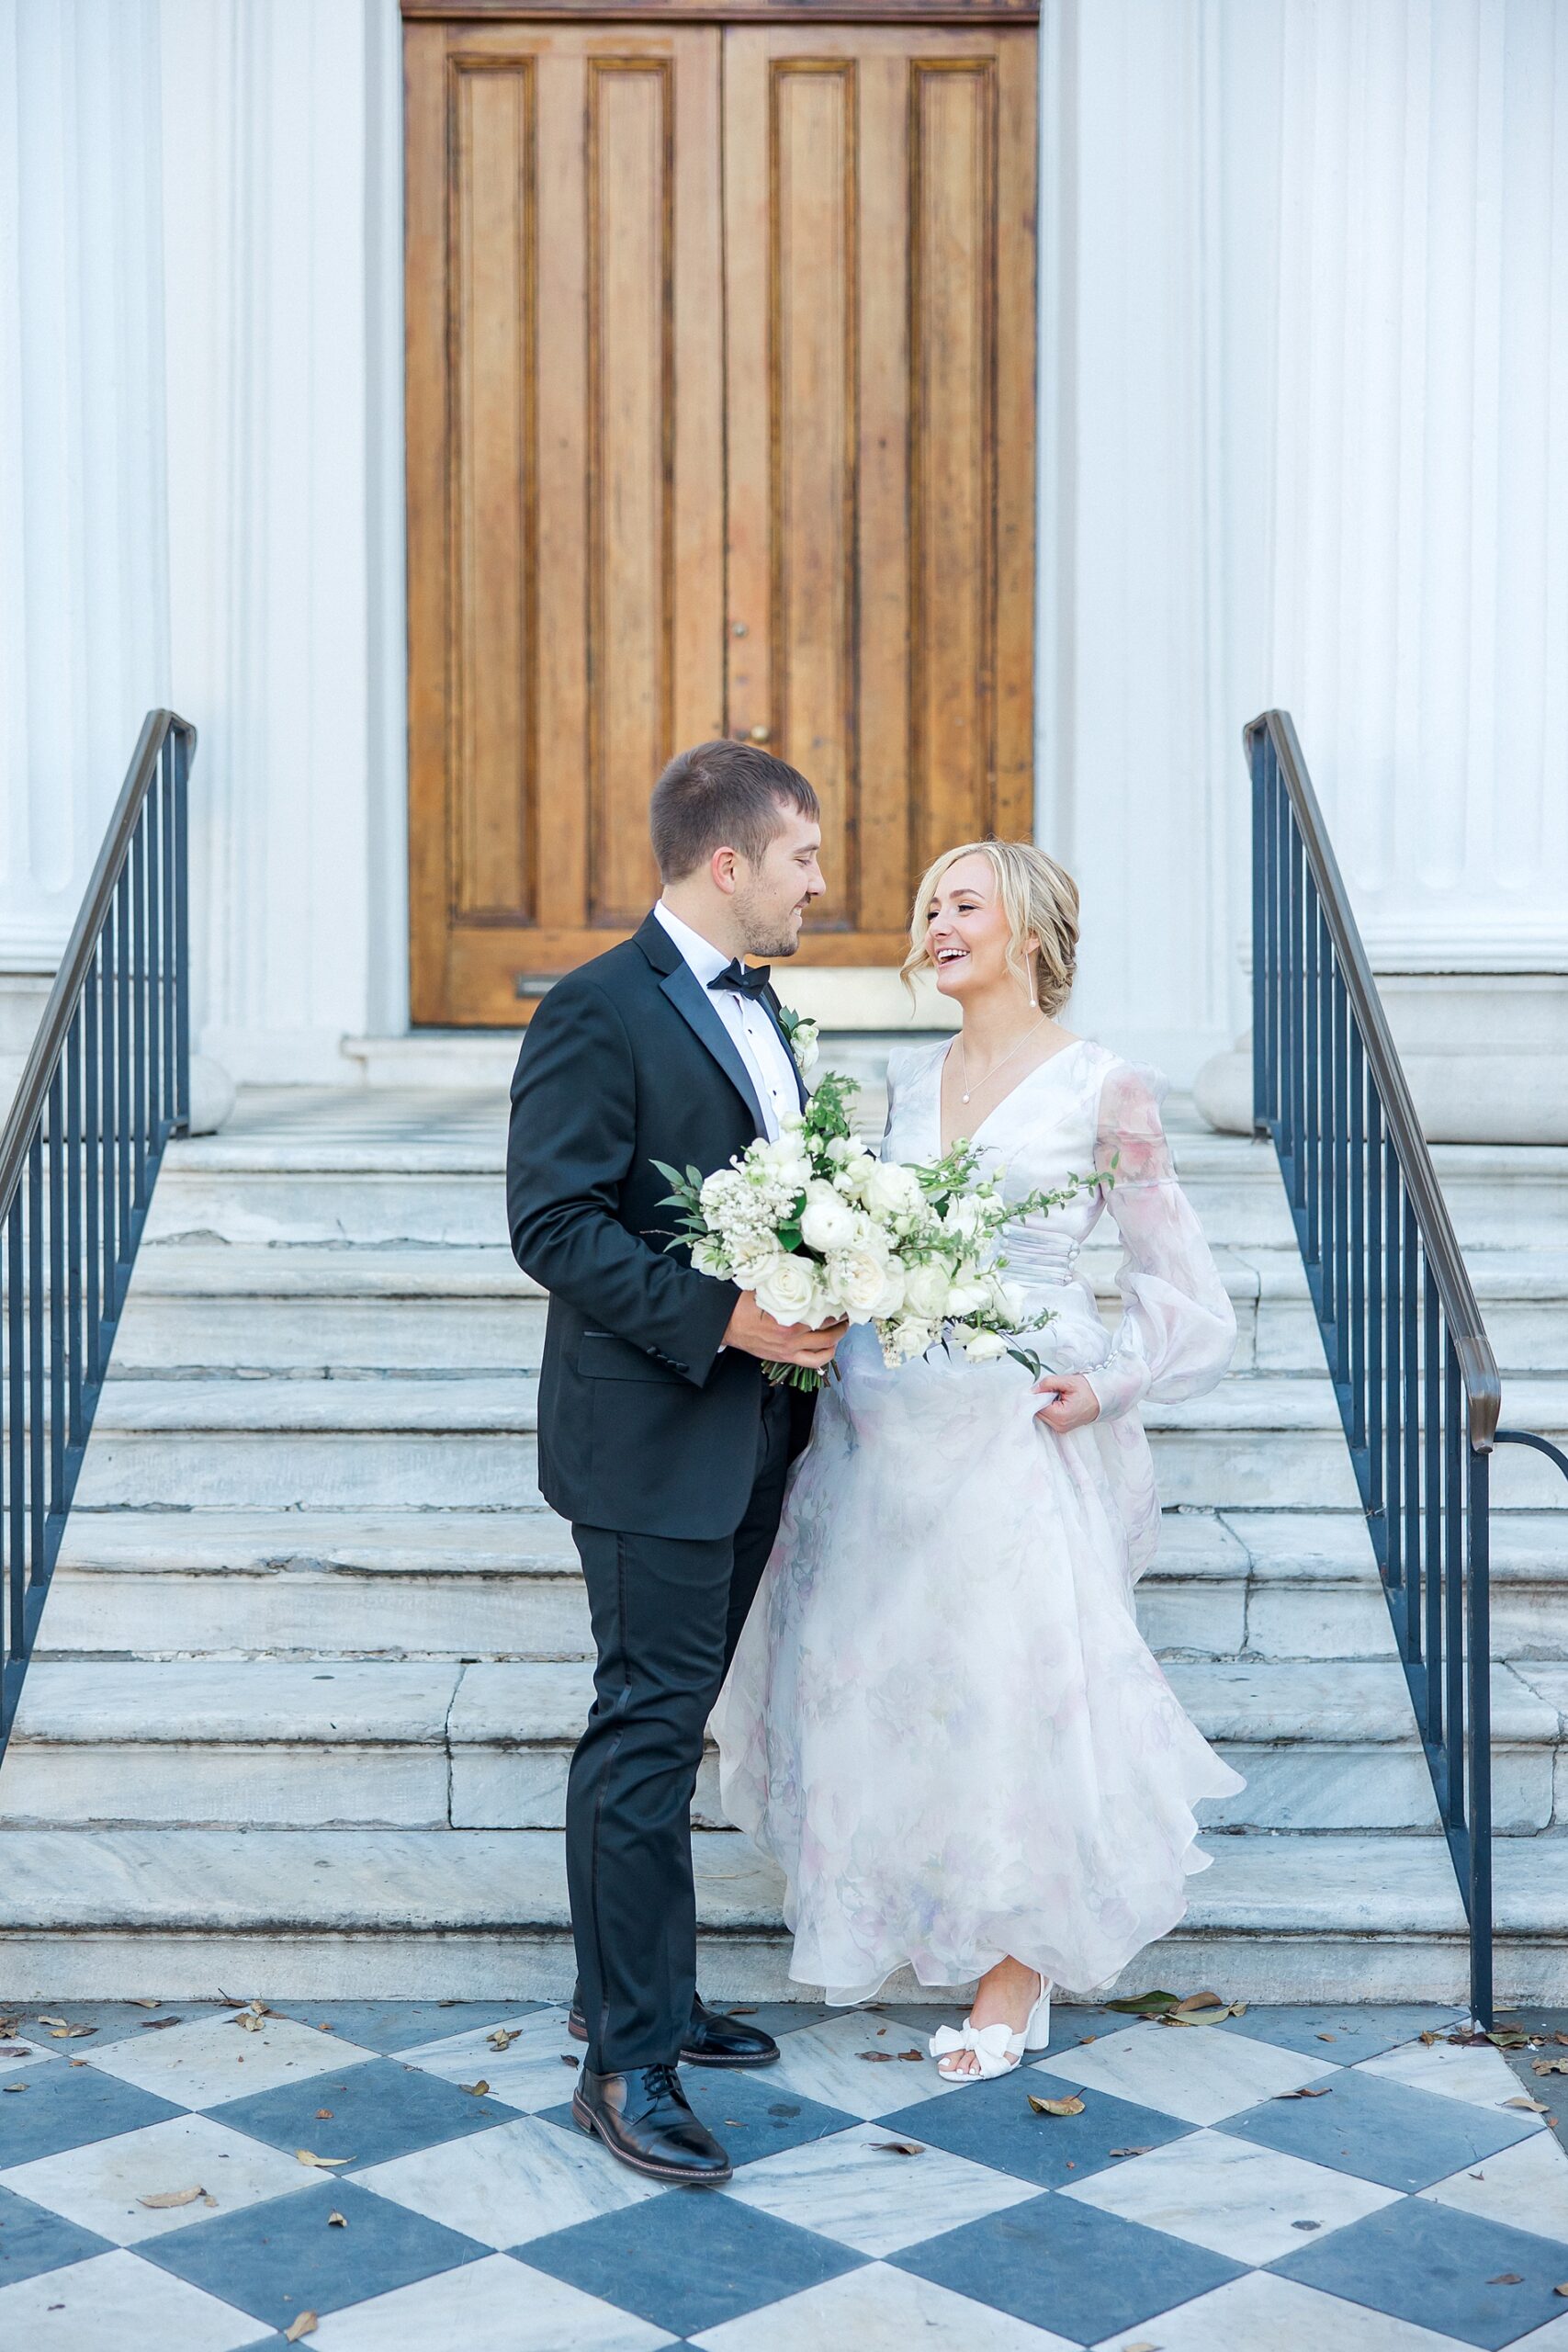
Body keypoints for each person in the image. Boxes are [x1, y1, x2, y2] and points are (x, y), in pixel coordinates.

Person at [712, 838, 1244, 2080]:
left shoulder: (1108, 1090)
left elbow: (1185, 1290)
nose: (938, 921)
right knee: (874, 1677)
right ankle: (916, 1915)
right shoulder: (892, 1085)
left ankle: (1017, 1971)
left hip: (1018, 1425)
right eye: (928, 901)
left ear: (1032, 930)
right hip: (879, 1423)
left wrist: (1107, 1385)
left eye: (966, 903)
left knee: (1014, 1694)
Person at [507, 741, 844, 2182]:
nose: (819, 886)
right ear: (730, 863)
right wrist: (731, 1315)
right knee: (644, 1731)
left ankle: (640, 1986)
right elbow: (556, 1225)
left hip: (756, 1423)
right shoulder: (595, 1009)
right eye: (804, 860)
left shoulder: (769, 1011)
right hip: (650, 1430)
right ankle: (624, 2064)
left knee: (675, 1720)